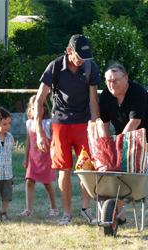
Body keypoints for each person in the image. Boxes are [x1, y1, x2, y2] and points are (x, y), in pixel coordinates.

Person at [34, 34, 100, 226]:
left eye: (85, 57)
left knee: (86, 169)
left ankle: (86, 210)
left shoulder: (89, 67)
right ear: (69, 51)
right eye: (79, 56)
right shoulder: (54, 67)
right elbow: (39, 100)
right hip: (60, 124)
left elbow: (94, 101)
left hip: (84, 124)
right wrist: (39, 132)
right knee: (65, 169)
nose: (82, 61)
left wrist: (95, 129)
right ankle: (66, 213)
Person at [99, 63, 148, 228]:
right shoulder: (106, 95)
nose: (112, 85)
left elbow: (135, 121)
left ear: (126, 78)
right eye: (109, 81)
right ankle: (121, 217)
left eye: (116, 80)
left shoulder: (138, 91)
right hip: (126, 139)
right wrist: (106, 145)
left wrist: (119, 143)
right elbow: (104, 123)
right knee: (121, 176)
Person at [19, 95, 58, 217]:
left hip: (46, 159)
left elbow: (55, 141)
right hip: (33, 159)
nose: (34, 110)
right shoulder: (29, 124)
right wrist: (26, 158)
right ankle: (29, 210)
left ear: (45, 109)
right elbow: (28, 141)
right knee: (29, 182)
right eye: (32, 108)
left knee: (47, 184)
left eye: (38, 107)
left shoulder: (49, 123)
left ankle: (54, 208)